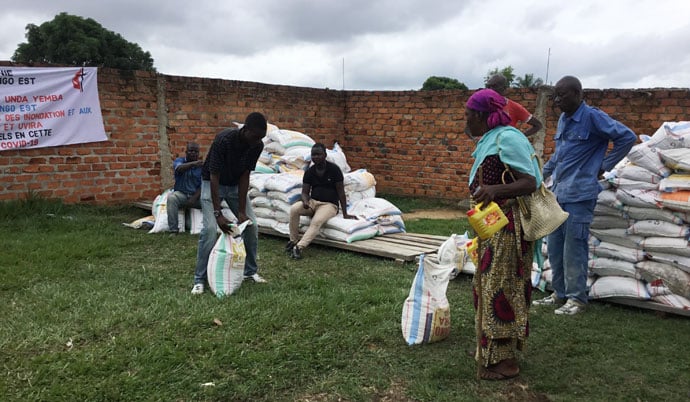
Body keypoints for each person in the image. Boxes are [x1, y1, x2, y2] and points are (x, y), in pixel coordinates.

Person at [533, 76, 636, 315]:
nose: (558, 100)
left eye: (563, 95)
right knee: (556, 246)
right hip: (559, 193)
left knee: (574, 248)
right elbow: (560, 154)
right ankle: (558, 294)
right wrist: (542, 174)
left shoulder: (592, 117)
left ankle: (577, 299)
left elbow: (627, 137)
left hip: (580, 194)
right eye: (555, 96)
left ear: (578, 94)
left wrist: (605, 165)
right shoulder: (563, 119)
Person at [465, 88, 541, 380]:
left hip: (508, 226)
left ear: (481, 116)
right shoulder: (489, 140)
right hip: (491, 225)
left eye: (468, 114)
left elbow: (529, 181)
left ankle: (504, 361)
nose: (465, 120)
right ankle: (488, 351)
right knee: (484, 286)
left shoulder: (509, 138)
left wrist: (495, 190)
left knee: (501, 288)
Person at [191, 112, 268, 295]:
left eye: (261, 138)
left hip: (234, 186)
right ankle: (199, 280)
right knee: (210, 229)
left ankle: (250, 272)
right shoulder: (224, 140)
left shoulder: (256, 145)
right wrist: (218, 213)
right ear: (245, 129)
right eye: (255, 136)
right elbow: (214, 174)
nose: (257, 141)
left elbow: (245, 175)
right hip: (212, 183)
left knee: (252, 225)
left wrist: (241, 211)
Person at [285, 143, 356, 259]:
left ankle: (299, 247)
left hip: (329, 205)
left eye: (319, 154)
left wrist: (345, 213)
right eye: (313, 155)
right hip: (313, 202)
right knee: (294, 209)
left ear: (325, 155)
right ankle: (293, 241)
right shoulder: (309, 172)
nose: (316, 157)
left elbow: (341, 193)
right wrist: (305, 201)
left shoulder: (334, 170)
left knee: (316, 221)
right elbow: (304, 192)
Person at [166, 142, 203, 233]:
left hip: (196, 198)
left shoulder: (201, 167)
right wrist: (193, 164)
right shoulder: (179, 161)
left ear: (198, 153)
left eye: (196, 151)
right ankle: (174, 230)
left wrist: (194, 198)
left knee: (209, 201)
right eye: (191, 151)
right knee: (171, 198)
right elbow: (179, 168)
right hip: (182, 195)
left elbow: (203, 186)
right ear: (186, 152)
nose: (193, 153)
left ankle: (209, 228)